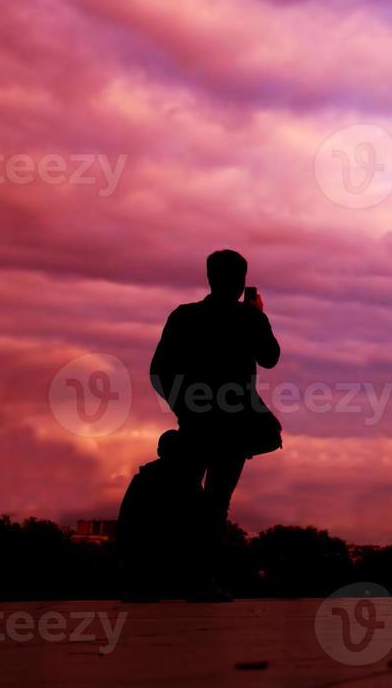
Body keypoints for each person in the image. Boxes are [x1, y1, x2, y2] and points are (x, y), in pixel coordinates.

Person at [149, 249, 281, 601]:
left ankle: (172, 575)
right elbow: (270, 357)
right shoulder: (248, 318)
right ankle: (200, 579)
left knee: (184, 497)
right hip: (234, 424)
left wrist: (184, 408)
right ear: (241, 283)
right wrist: (258, 317)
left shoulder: (184, 316)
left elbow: (158, 370)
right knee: (215, 500)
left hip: (197, 421)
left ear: (210, 278)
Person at [116, 430, 205, 602]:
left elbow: (126, 522)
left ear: (159, 452)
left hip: (148, 570)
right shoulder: (189, 483)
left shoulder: (144, 480)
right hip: (170, 570)